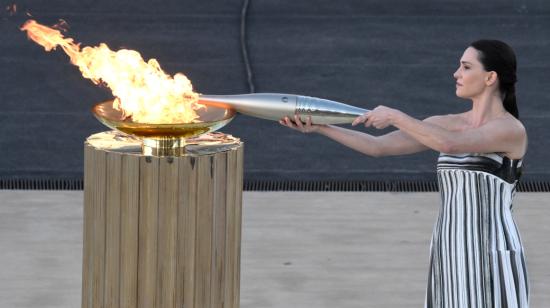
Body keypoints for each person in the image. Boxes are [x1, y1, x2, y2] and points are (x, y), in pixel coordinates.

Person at [279, 39, 529, 308]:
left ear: (491, 77)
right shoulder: (443, 123)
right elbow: (378, 146)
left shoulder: (510, 130)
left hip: (492, 251)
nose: (456, 74)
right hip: (449, 248)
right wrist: (320, 128)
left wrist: (397, 116)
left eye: (466, 67)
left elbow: (450, 145)